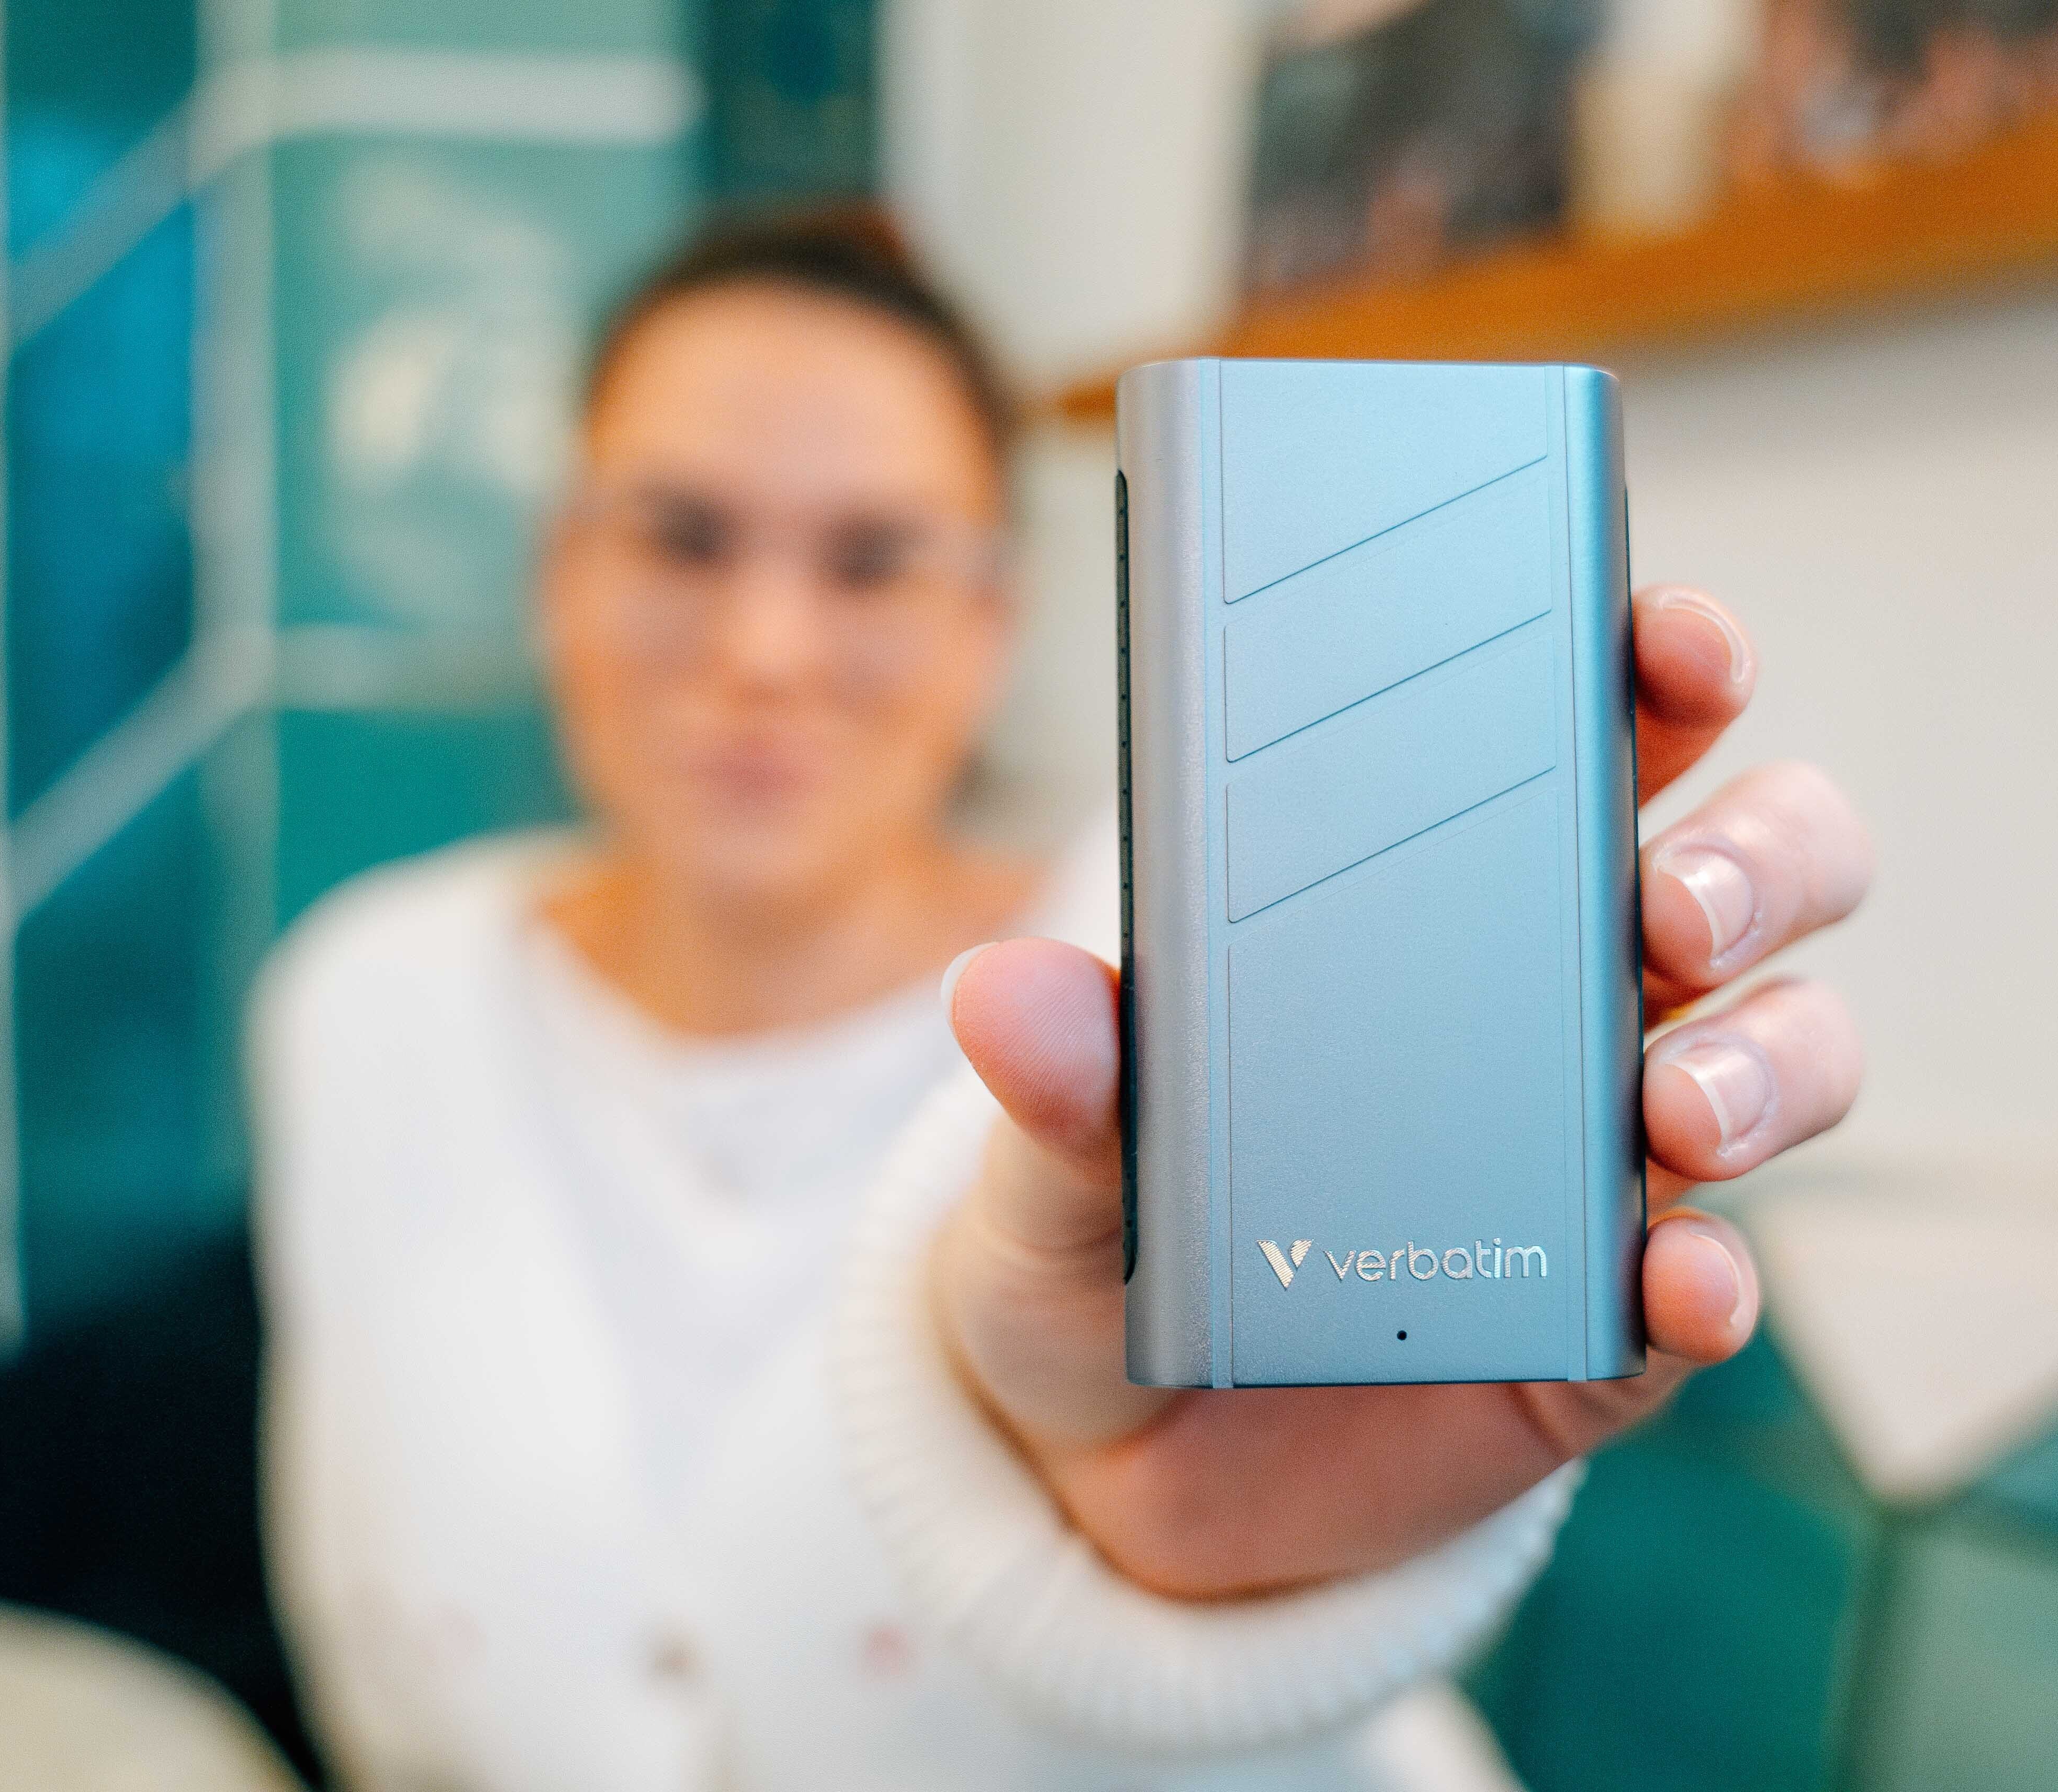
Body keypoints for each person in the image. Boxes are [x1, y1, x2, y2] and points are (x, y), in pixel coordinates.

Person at [251, 205, 1874, 1791]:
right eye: (682, 536)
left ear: (992, 623)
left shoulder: (1183, 957)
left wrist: (1233, 1567)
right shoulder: (368, 997)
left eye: (874, 561)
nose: (765, 650)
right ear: (562, 571)